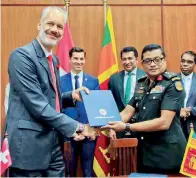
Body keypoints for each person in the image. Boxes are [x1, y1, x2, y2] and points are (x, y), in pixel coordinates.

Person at [4, 6, 95, 177]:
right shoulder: (22, 56)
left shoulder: (53, 60)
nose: (55, 30)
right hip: (29, 148)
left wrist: (70, 97)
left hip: (53, 143)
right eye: (50, 24)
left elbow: (47, 98)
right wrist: (79, 127)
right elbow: (37, 105)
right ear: (39, 25)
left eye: (60, 27)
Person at [103, 44, 187, 174]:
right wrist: (103, 124)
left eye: (157, 59)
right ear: (142, 64)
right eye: (148, 61)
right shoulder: (142, 84)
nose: (153, 64)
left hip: (167, 153)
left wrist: (126, 127)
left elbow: (164, 122)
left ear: (165, 60)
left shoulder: (173, 84)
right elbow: (127, 112)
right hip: (145, 151)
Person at [60, 47, 100, 177]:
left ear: (85, 60)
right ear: (70, 60)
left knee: (88, 171)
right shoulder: (59, 80)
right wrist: (71, 130)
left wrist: (89, 128)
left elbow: (96, 107)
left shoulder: (93, 81)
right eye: (75, 58)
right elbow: (58, 108)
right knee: (68, 172)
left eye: (81, 58)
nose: (79, 61)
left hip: (88, 134)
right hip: (67, 134)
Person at [108, 46, 145, 138]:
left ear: (136, 59)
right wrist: (111, 128)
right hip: (119, 126)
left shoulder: (146, 77)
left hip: (141, 125)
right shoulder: (114, 79)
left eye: (130, 58)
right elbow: (111, 104)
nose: (127, 62)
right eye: (124, 59)